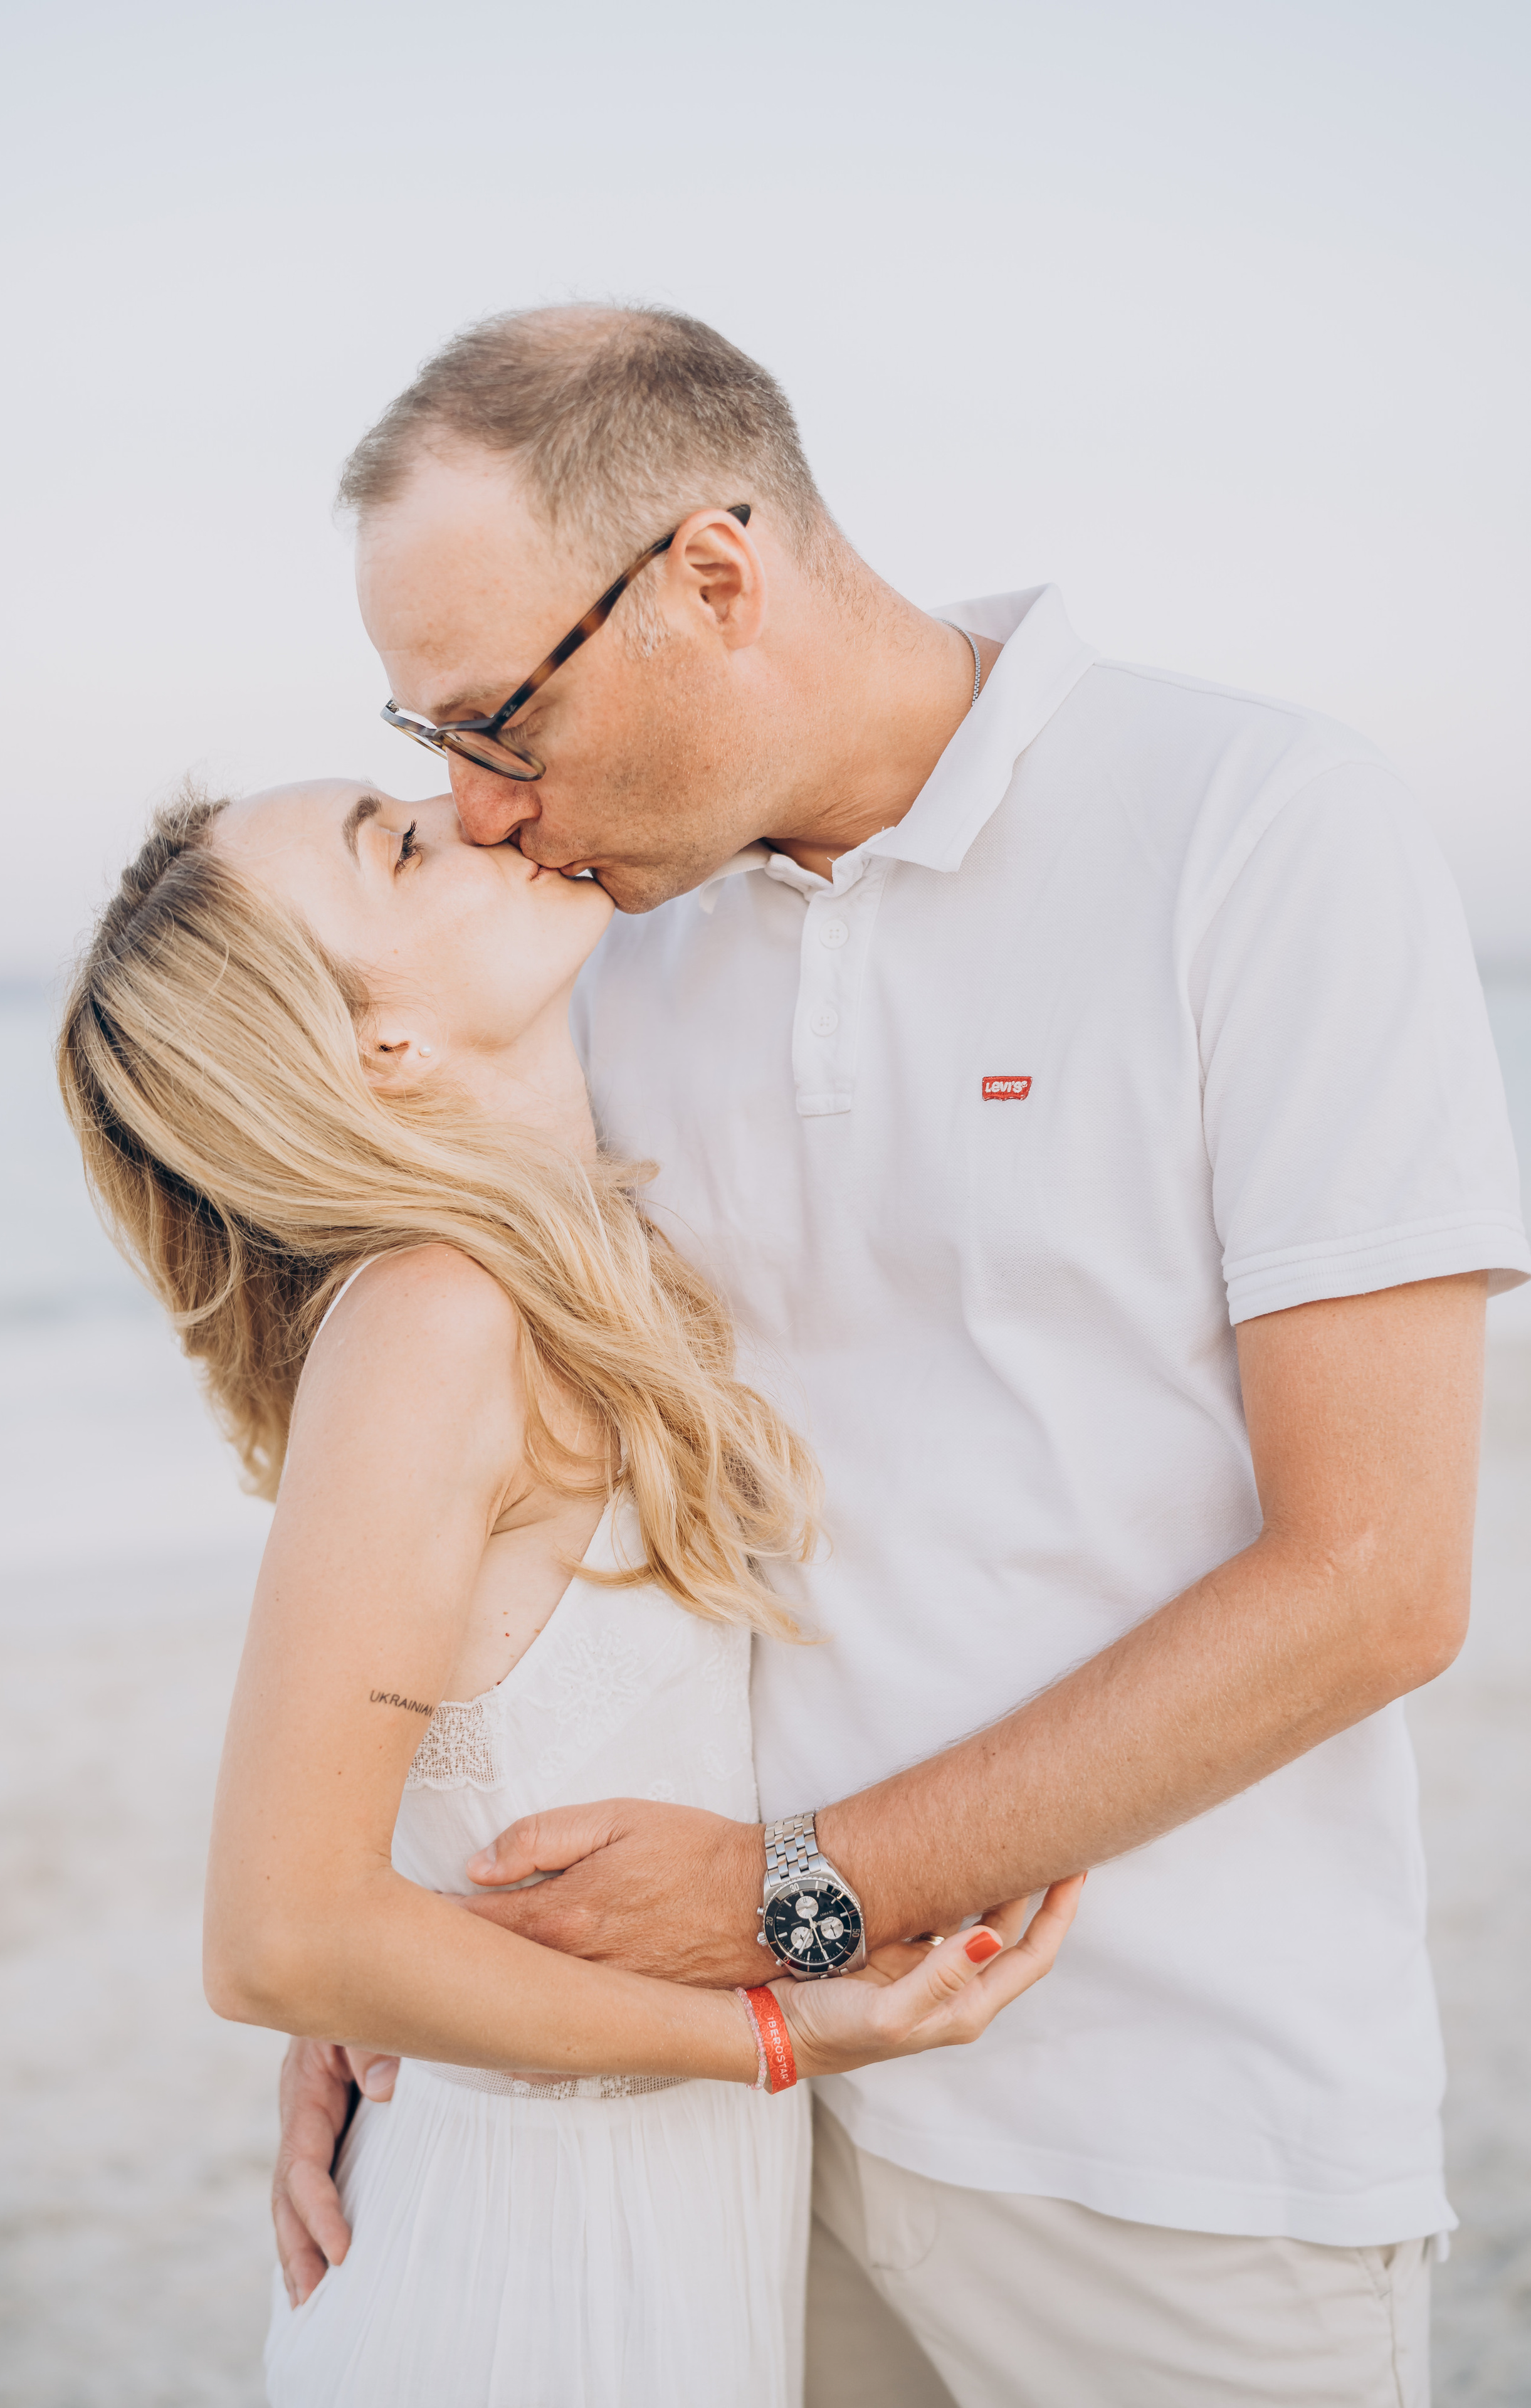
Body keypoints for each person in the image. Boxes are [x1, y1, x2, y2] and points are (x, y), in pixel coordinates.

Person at [275, 305, 1530, 2406]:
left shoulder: (1262, 831)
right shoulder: (607, 943)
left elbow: (1377, 1582)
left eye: (502, 721)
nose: (486, 812)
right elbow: (529, 1492)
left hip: (1166, 2135)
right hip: (729, 2135)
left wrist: (797, 1900)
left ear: (713, 576)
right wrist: (390, 1972)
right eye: (435, 750)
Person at [57, 777, 1081, 2408]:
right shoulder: (434, 1318)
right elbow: (275, 1933)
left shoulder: (573, 1282)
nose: (470, 809)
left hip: (667, 2212)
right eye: (396, 843)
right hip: (522, 2267)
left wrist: (385, 1966)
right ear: (377, 1048)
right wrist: (767, 2038)